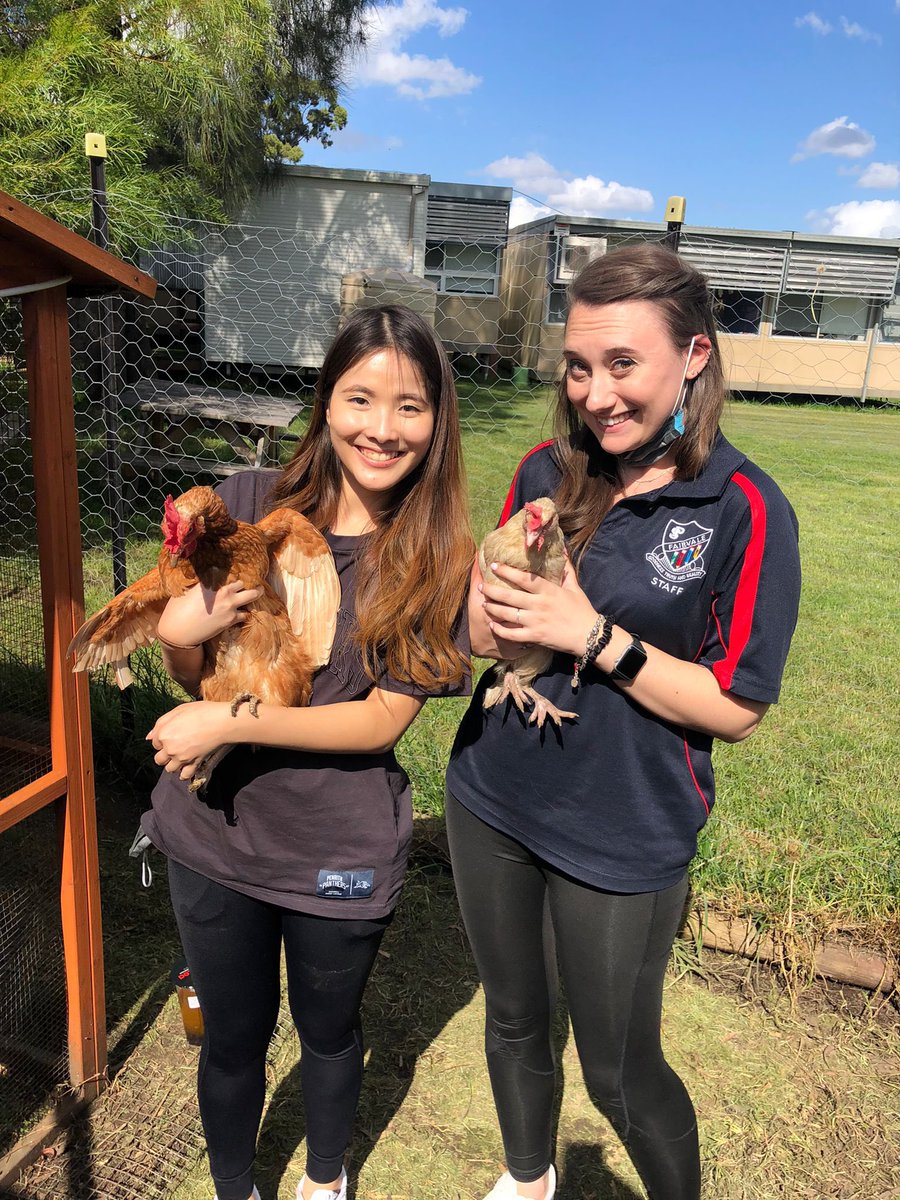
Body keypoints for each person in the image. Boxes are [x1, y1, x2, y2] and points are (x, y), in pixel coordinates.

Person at [445, 244, 801, 1200]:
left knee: (617, 1072)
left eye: (621, 364)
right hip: (491, 796)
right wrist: (487, 607)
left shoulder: (743, 507)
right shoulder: (540, 470)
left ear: (693, 355)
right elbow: (481, 630)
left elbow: (738, 706)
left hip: (623, 828)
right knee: (515, 1018)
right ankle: (528, 1180)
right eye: (578, 365)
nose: (594, 394)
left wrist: (593, 636)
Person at [142, 304, 472, 1200]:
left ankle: (326, 1180)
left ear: (438, 419)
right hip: (212, 832)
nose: (381, 428)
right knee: (232, 1040)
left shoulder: (436, 554)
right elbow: (189, 673)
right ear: (326, 400)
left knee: (329, 1033)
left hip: (336, 844)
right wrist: (184, 627)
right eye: (360, 398)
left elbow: (378, 722)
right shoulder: (246, 504)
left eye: (410, 407)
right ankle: (236, 1187)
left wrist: (232, 726)